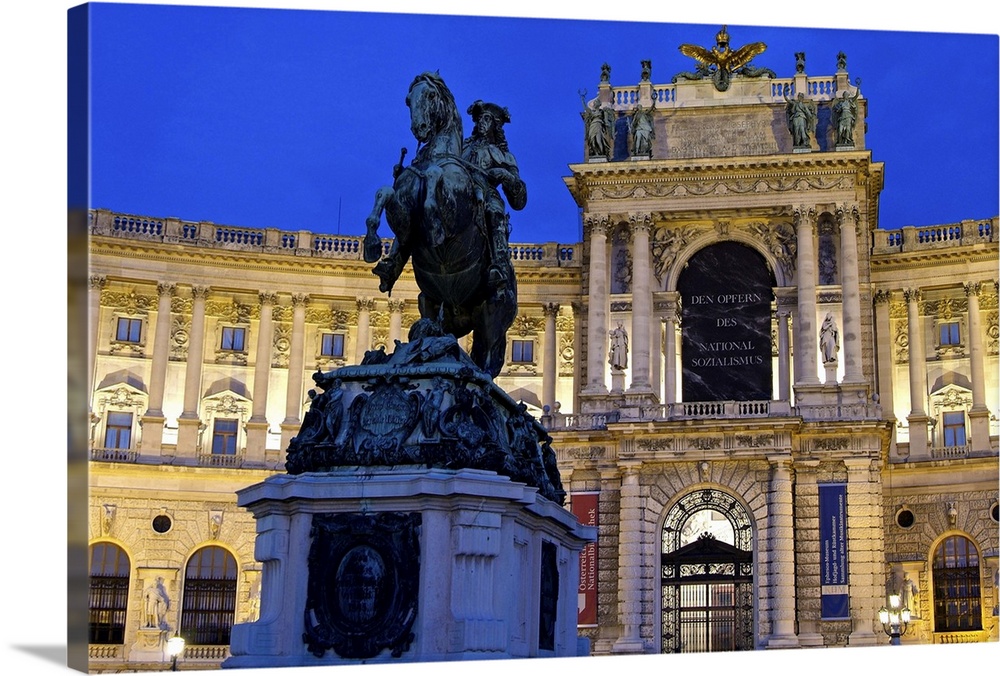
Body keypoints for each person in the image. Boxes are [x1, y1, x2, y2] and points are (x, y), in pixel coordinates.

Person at [462, 100, 526, 290]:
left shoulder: (504, 156)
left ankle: (498, 263)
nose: (481, 122)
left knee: (494, 211)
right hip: (460, 193)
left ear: (495, 125)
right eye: (479, 118)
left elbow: (519, 200)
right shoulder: (460, 149)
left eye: (487, 119)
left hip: (487, 195)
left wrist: (506, 176)